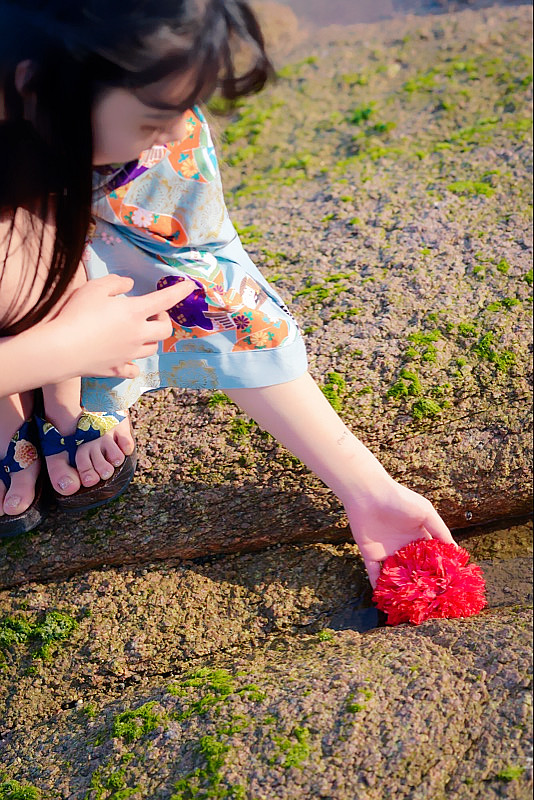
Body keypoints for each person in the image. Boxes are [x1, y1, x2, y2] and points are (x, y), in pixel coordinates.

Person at [0, 0, 457, 584]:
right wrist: (67, 349)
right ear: (32, 83)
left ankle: (54, 377)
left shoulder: (162, 120)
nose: (174, 132)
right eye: (150, 121)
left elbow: (205, 278)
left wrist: (366, 488)